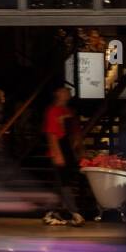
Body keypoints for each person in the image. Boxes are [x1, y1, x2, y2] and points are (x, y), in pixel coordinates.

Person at [41, 87, 83, 226]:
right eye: (63, 91)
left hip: (67, 149)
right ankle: (74, 212)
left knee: (60, 184)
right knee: (64, 183)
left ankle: (51, 212)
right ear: (57, 93)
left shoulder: (69, 111)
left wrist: (78, 150)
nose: (67, 94)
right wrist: (57, 154)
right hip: (58, 149)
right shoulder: (53, 110)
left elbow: (75, 133)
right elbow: (51, 134)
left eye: (68, 92)